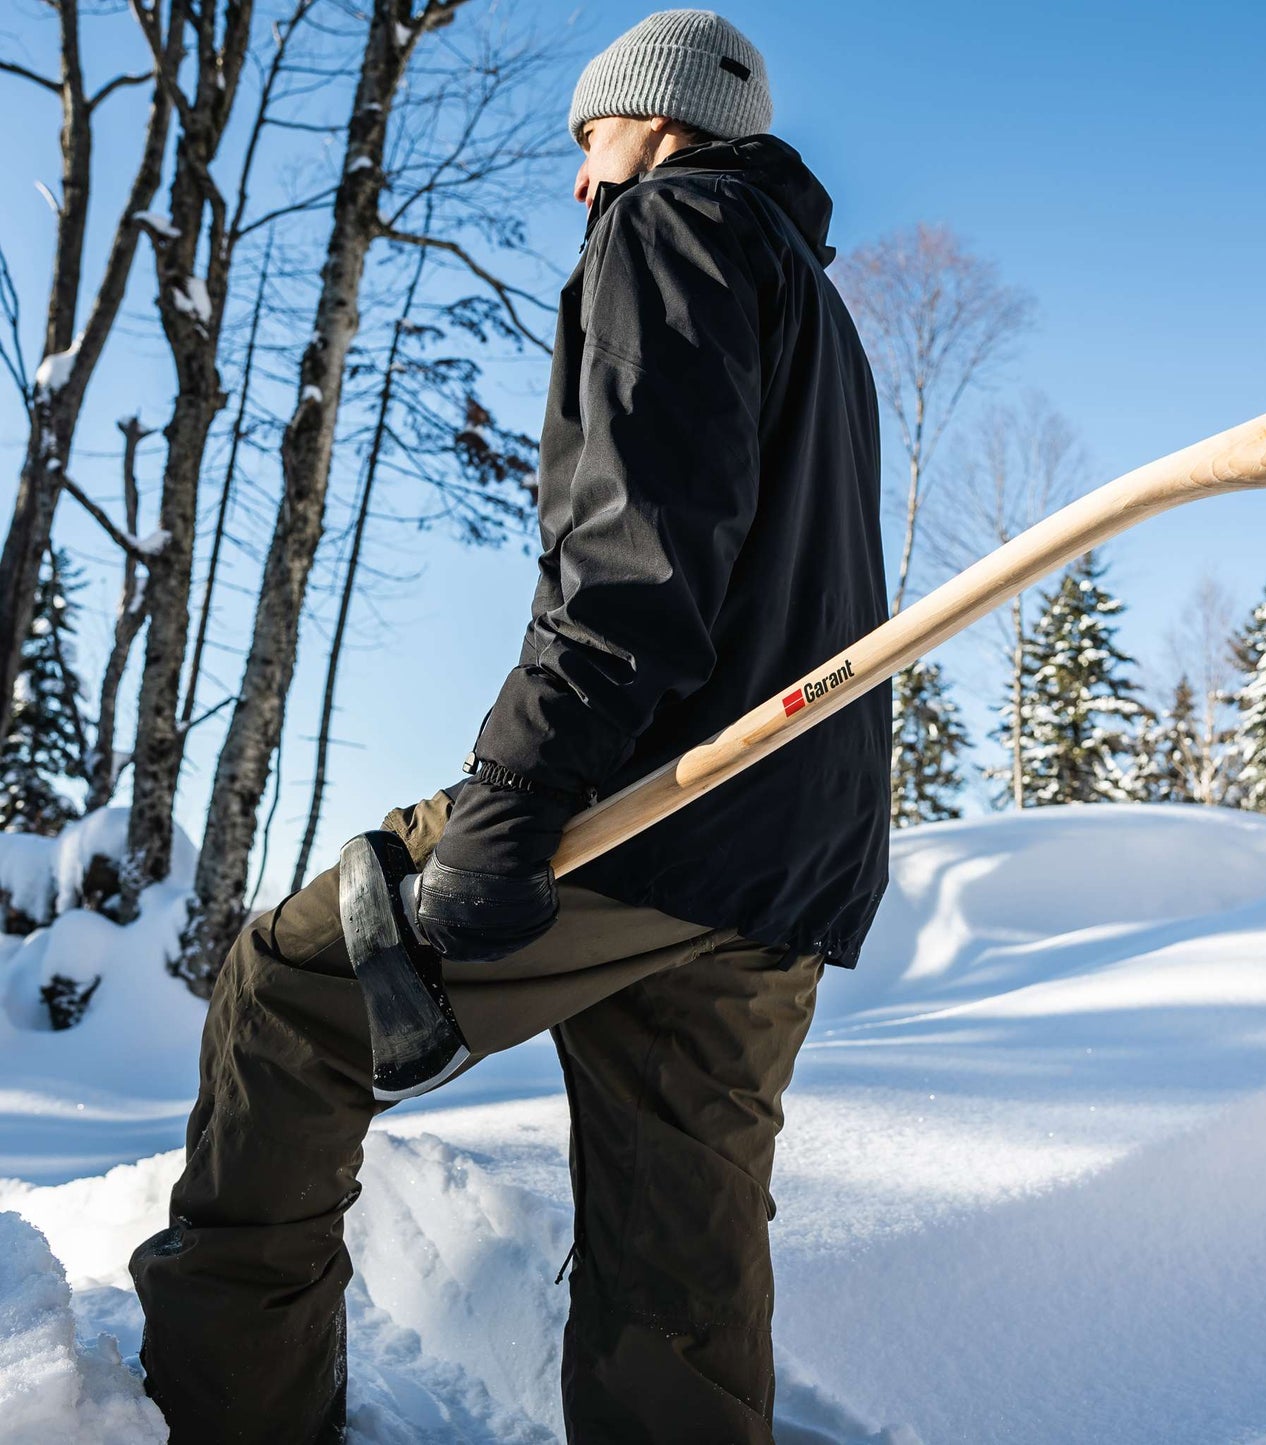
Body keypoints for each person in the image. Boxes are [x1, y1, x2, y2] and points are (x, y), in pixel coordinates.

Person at [129, 10, 891, 1443]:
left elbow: (636, 558)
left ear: (659, 122)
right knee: (679, 1235)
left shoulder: (669, 227)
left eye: (589, 135)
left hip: (658, 799)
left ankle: (231, 1417)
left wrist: (515, 795)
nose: (579, 174)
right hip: (799, 848)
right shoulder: (819, 310)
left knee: (290, 988)